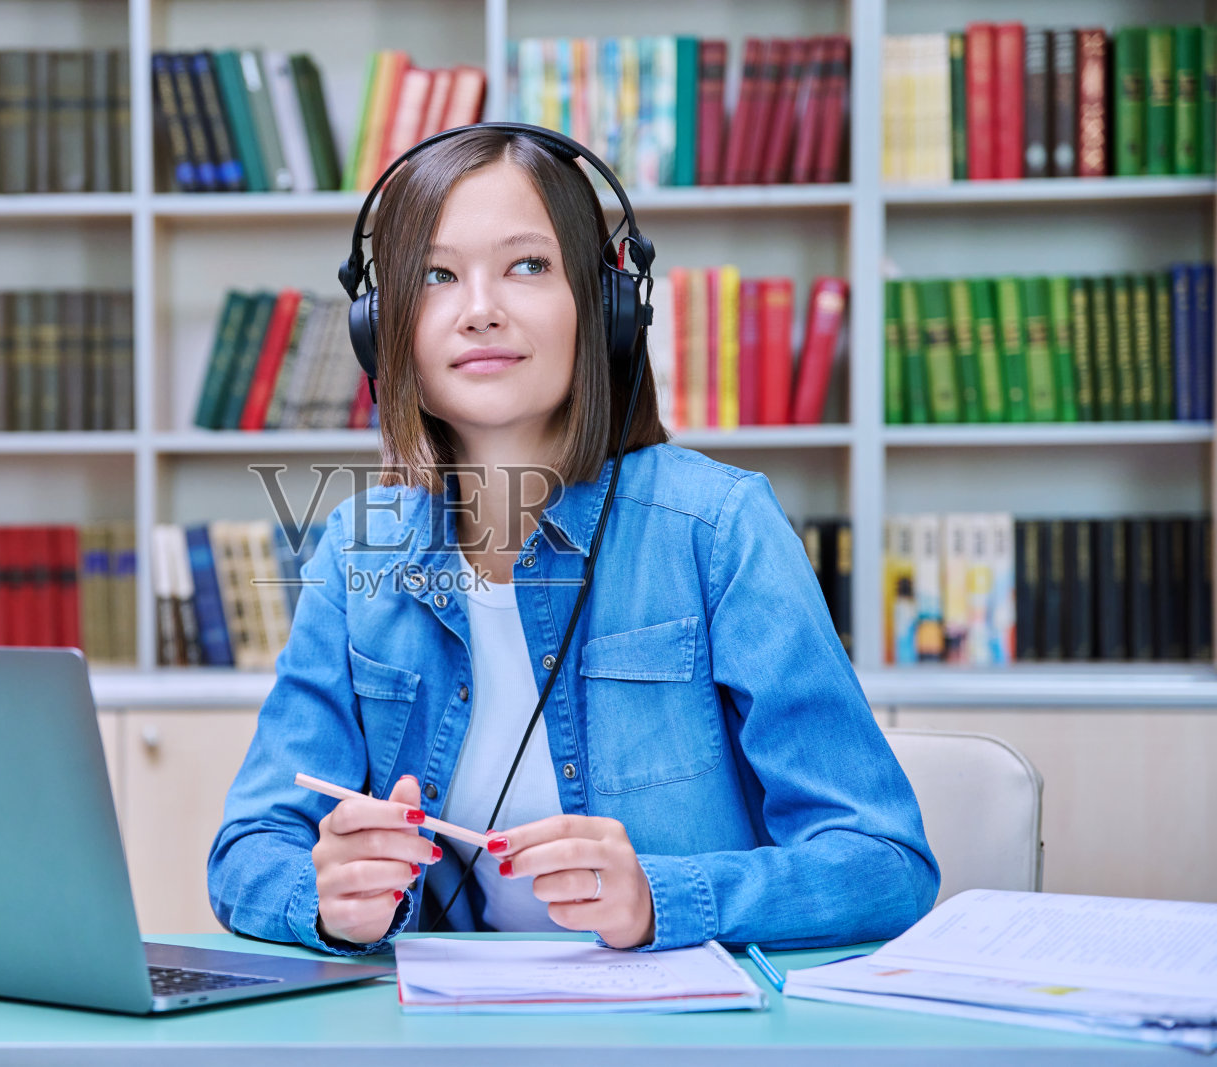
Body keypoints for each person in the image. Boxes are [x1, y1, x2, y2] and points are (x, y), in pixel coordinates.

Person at [208, 125, 938, 955]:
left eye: (527, 265)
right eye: (437, 276)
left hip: (671, 1018)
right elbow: (248, 849)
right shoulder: (354, 552)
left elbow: (886, 863)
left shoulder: (719, 529)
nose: (480, 310)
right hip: (443, 1016)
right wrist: (326, 897)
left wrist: (663, 899)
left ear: (606, 306)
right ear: (383, 328)